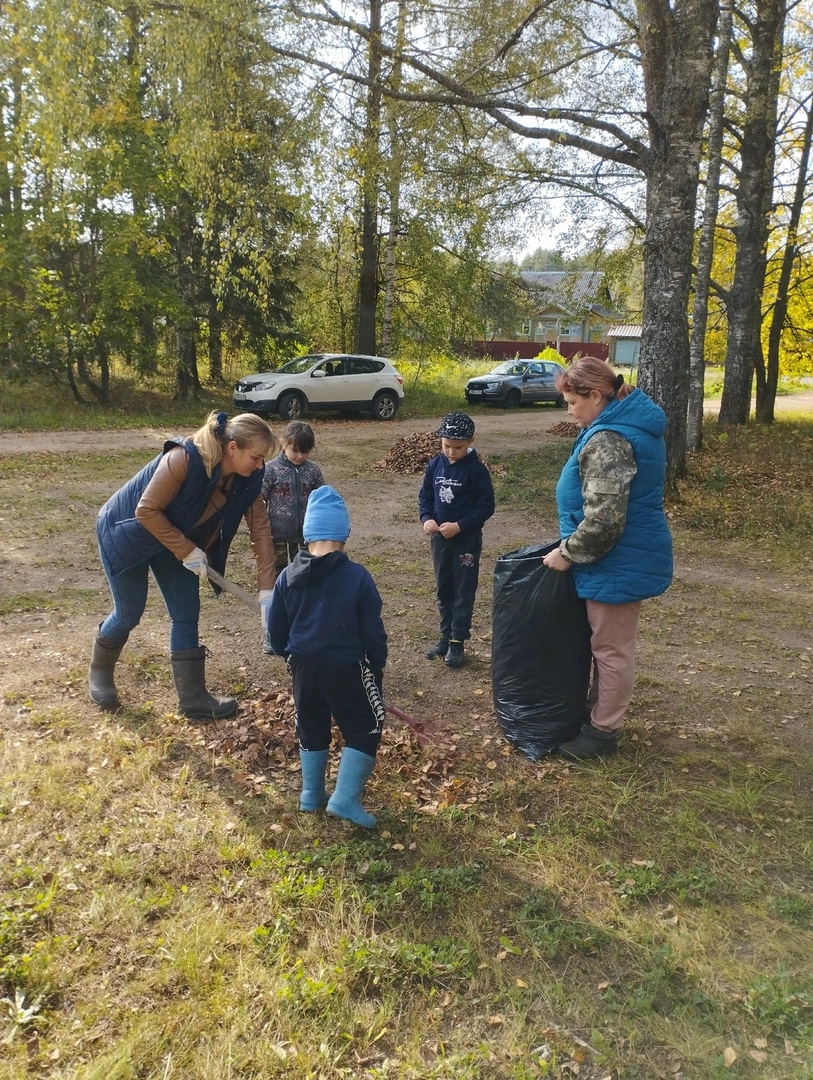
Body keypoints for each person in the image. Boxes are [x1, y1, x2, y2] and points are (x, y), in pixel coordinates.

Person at [90, 410, 278, 720]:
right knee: (129, 611)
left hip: (175, 538)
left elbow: (261, 532)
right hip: (127, 532)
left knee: (186, 612)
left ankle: (193, 698)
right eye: (256, 457)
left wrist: (267, 593)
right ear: (233, 449)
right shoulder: (184, 459)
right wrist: (188, 550)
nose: (261, 465)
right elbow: (147, 511)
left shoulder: (248, 480)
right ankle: (99, 673)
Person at [542, 357, 673, 759]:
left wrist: (568, 552)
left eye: (572, 402)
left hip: (616, 558)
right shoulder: (617, 425)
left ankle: (602, 733)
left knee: (612, 650)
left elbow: (604, 520)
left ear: (595, 396)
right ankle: (596, 714)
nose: (569, 411)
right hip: (615, 557)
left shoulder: (611, 439)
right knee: (605, 644)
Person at [265, 485, 388, 828]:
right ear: (344, 534)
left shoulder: (287, 576)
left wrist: (284, 652)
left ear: (307, 534)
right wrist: (377, 662)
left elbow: (275, 629)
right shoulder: (357, 577)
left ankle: (311, 794)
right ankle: (345, 799)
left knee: (312, 725)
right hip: (346, 666)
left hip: (303, 666)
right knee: (366, 727)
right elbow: (372, 630)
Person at [419, 412, 495, 668]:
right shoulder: (435, 465)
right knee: (444, 588)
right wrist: (427, 518)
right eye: (447, 446)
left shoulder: (476, 471)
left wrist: (460, 526)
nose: (451, 452)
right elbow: (425, 497)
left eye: (458, 448)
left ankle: (457, 641)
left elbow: (486, 507)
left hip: (466, 542)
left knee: (463, 589)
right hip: (439, 540)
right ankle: (444, 636)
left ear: (471, 441)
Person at [261, 420, 325, 574]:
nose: (300, 456)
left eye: (306, 451)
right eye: (295, 450)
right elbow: (260, 499)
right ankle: (278, 597)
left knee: (304, 570)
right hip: (277, 534)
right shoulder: (271, 469)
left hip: (306, 534)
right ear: (284, 444)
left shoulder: (313, 471)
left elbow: (323, 499)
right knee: (277, 571)